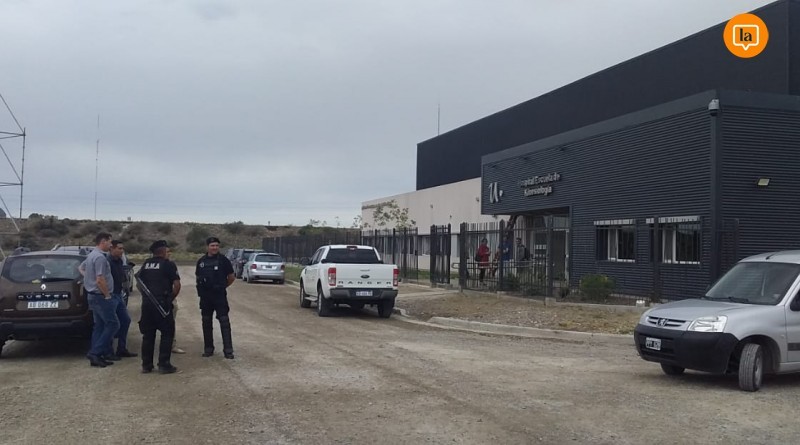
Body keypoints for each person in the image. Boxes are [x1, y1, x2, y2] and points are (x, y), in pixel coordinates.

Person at [137, 240, 181, 374]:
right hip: (162, 304)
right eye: (167, 251)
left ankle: (146, 365)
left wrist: (146, 296)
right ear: (163, 252)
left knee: (148, 335)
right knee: (167, 334)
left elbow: (139, 283)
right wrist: (170, 299)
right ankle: (164, 364)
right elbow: (177, 285)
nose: (169, 253)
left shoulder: (146, 264)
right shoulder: (168, 264)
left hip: (147, 304)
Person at [83, 232, 120, 368]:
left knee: (99, 325)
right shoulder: (99, 258)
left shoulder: (91, 255)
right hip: (100, 296)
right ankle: (95, 352)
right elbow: (100, 279)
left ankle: (97, 355)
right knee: (113, 324)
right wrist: (107, 295)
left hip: (93, 295)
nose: (111, 245)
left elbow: (83, 269)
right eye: (110, 242)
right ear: (103, 241)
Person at [195, 236, 236, 359]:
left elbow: (231, 277)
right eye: (212, 245)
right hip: (206, 297)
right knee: (206, 322)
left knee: (224, 322)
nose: (215, 248)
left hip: (219, 296)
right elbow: (198, 277)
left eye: (217, 245)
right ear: (207, 247)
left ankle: (228, 351)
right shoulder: (201, 261)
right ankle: (208, 349)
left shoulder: (224, 260)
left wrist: (222, 286)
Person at [108, 240, 136, 358]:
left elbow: (122, 277)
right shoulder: (107, 262)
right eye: (119, 248)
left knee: (125, 320)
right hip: (110, 295)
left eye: (122, 248)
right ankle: (109, 351)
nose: (122, 251)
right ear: (112, 249)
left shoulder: (119, 261)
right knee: (111, 324)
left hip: (118, 294)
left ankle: (121, 348)